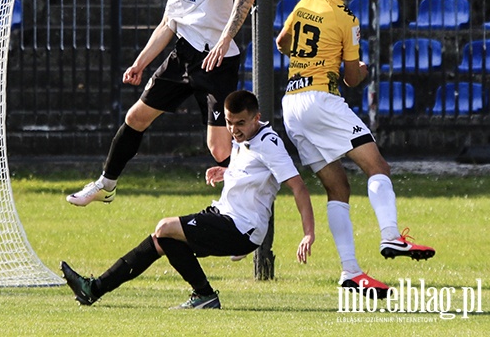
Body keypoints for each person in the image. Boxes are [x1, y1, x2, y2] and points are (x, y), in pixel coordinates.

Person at [67, 0, 255, 206]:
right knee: (136, 117)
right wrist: (140, 63)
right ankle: (106, 184)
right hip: (183, 57)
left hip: (217, 63)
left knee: (220, 150)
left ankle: (248, 195)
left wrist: (224, 41)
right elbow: (168, 23)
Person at [275, 0, 435, 297]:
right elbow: (350, 79)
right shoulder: (346, 18)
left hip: (292, 105)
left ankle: (350, 272)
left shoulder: (303, 4)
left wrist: (308, 57)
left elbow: (282, 42)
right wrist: (362, 71)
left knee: (338, 189)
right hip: (321, 100)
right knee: (378, 168)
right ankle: (391, 236)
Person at [61, 90, 314, 309]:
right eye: (229, 122)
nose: (234, 130)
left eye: (241, 123)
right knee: (161, 240)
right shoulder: (245, 137)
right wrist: (228, 172)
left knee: (165, 227)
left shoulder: (269, 143)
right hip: (223, 216)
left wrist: (308, 233)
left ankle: (204, 294)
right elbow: (256, 172)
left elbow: (298, 186)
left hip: (241, 229)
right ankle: (93, 290)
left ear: (256, 118)